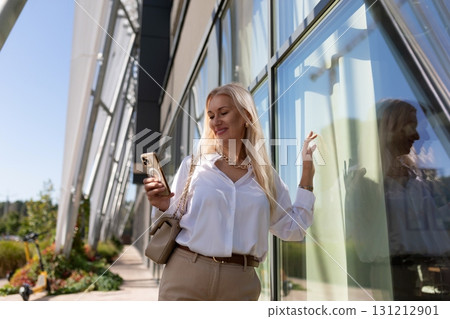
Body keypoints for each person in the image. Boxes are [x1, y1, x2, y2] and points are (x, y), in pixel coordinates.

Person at [144, 83, 317, 301]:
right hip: (186, 273)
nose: (216, 121)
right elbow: (173, 217)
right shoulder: (194, 166)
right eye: (211, 115)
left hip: (240, 284)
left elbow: (293, 229)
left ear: (245, 116)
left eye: (223, 113)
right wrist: (161, 205)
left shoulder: (266, 177)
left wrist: (308, 171)